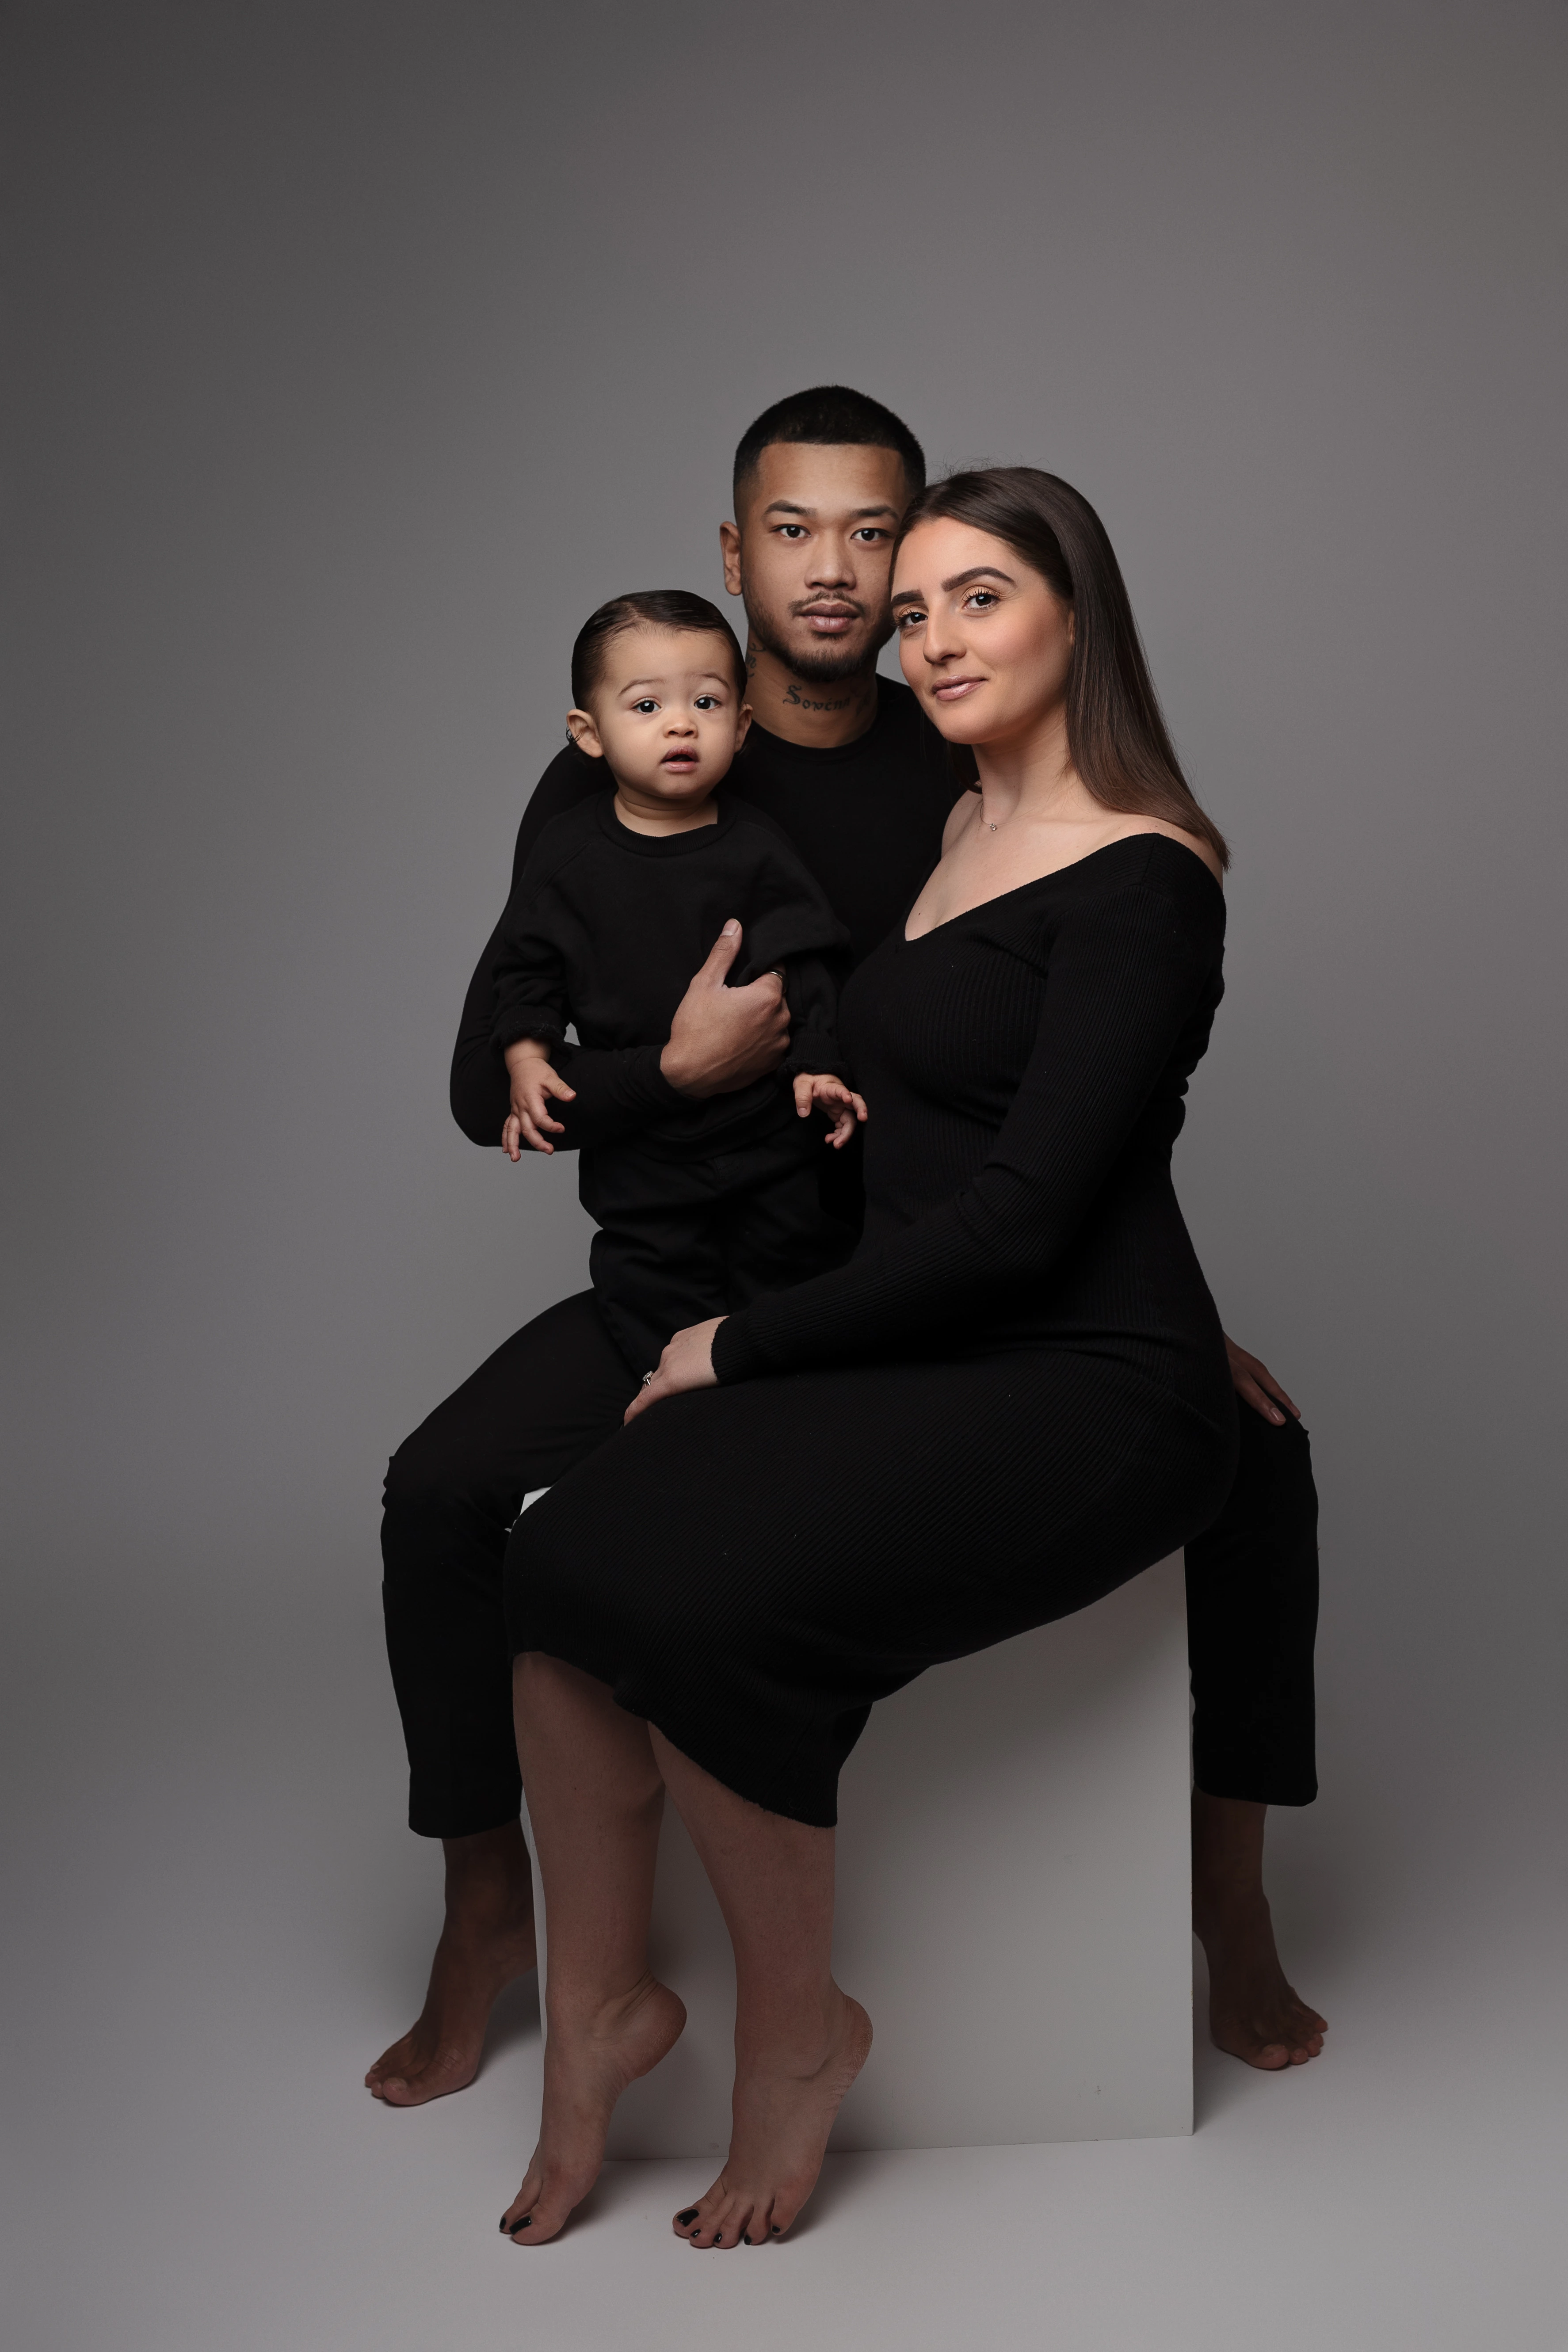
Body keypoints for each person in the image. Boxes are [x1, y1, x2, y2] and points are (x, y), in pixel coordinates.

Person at [370, 388, 1323, 2118]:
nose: (847, 581)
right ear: (732, 554)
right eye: (795, 535)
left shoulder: (951, 766)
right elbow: (483, 1078)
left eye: (879, 542)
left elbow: (1047, 1085)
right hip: (700, 1272)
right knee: (446, 1495)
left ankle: (1227, 1912)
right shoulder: (630, 752)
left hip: (894, 1277)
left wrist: (1148, 1299)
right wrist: (677, 1073)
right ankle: (483, 1912)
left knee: (1259, 1461)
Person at [490, 586, 863, 1377]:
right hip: (645, 1163)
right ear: (588, 735)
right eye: (646, 705)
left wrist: (818, 1064)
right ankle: (682, 1438)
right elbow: (526, 967)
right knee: (653, 1311)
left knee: (795, 1288)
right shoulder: (566, 855)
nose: (681, 723)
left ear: (742, 726)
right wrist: (527, 1057)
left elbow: (808, 961)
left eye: (705, 701)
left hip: (769, 1144)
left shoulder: (758, 846)